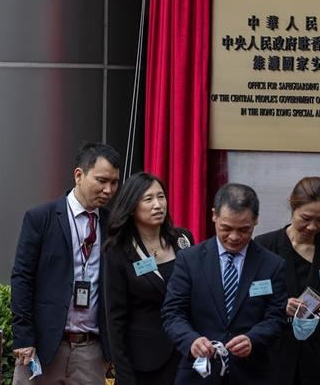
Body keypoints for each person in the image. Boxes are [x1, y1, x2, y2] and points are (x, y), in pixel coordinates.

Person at [11, 142, 121, 385]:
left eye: (114, 183)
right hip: (43, 347)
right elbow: (22, 278)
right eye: (102, 180)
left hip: (92, 352)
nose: (109, 190)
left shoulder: (113, 225)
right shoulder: (41, 218)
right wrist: (23, 338)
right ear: (79, 175)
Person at [161, 183, 287, 385]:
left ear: (256, 220)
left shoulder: (272, 265)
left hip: (251, 374)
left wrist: (252, 339)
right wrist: (191, 340)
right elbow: (173, 312)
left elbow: (277, 317)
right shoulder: (190, 260)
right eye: (226, 228)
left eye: (244, 230)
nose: (234, 237)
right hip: (199, 374)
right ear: (214, 216)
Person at [254, 176, 320, 385]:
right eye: (306, 218)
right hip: (275, 353)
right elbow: (251, 298)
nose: (312, 226)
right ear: (292, 207)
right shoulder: (265, 246)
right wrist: (280, 305)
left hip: (318, 357)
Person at [103, 172, 194, 385]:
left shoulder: (183, 239)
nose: (157, 205)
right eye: (148, 199)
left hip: (185, 352)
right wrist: (124, 375)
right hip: (144, 360)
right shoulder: (118, 252)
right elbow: (115, 319)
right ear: (132, 207)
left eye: (161, 197)